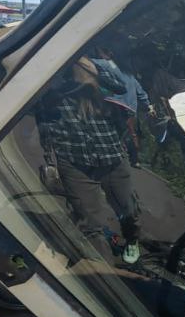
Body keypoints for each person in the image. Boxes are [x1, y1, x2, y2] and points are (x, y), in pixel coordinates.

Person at [36, 56, 143, 266]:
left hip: (110, 154)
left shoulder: (92, 65)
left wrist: (89, 68)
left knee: (127, 208)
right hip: (74, 160)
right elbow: (35, 107)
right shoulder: (44, 75)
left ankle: (132, 240)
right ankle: (102, 268)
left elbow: (120, 87)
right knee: (88, 219)